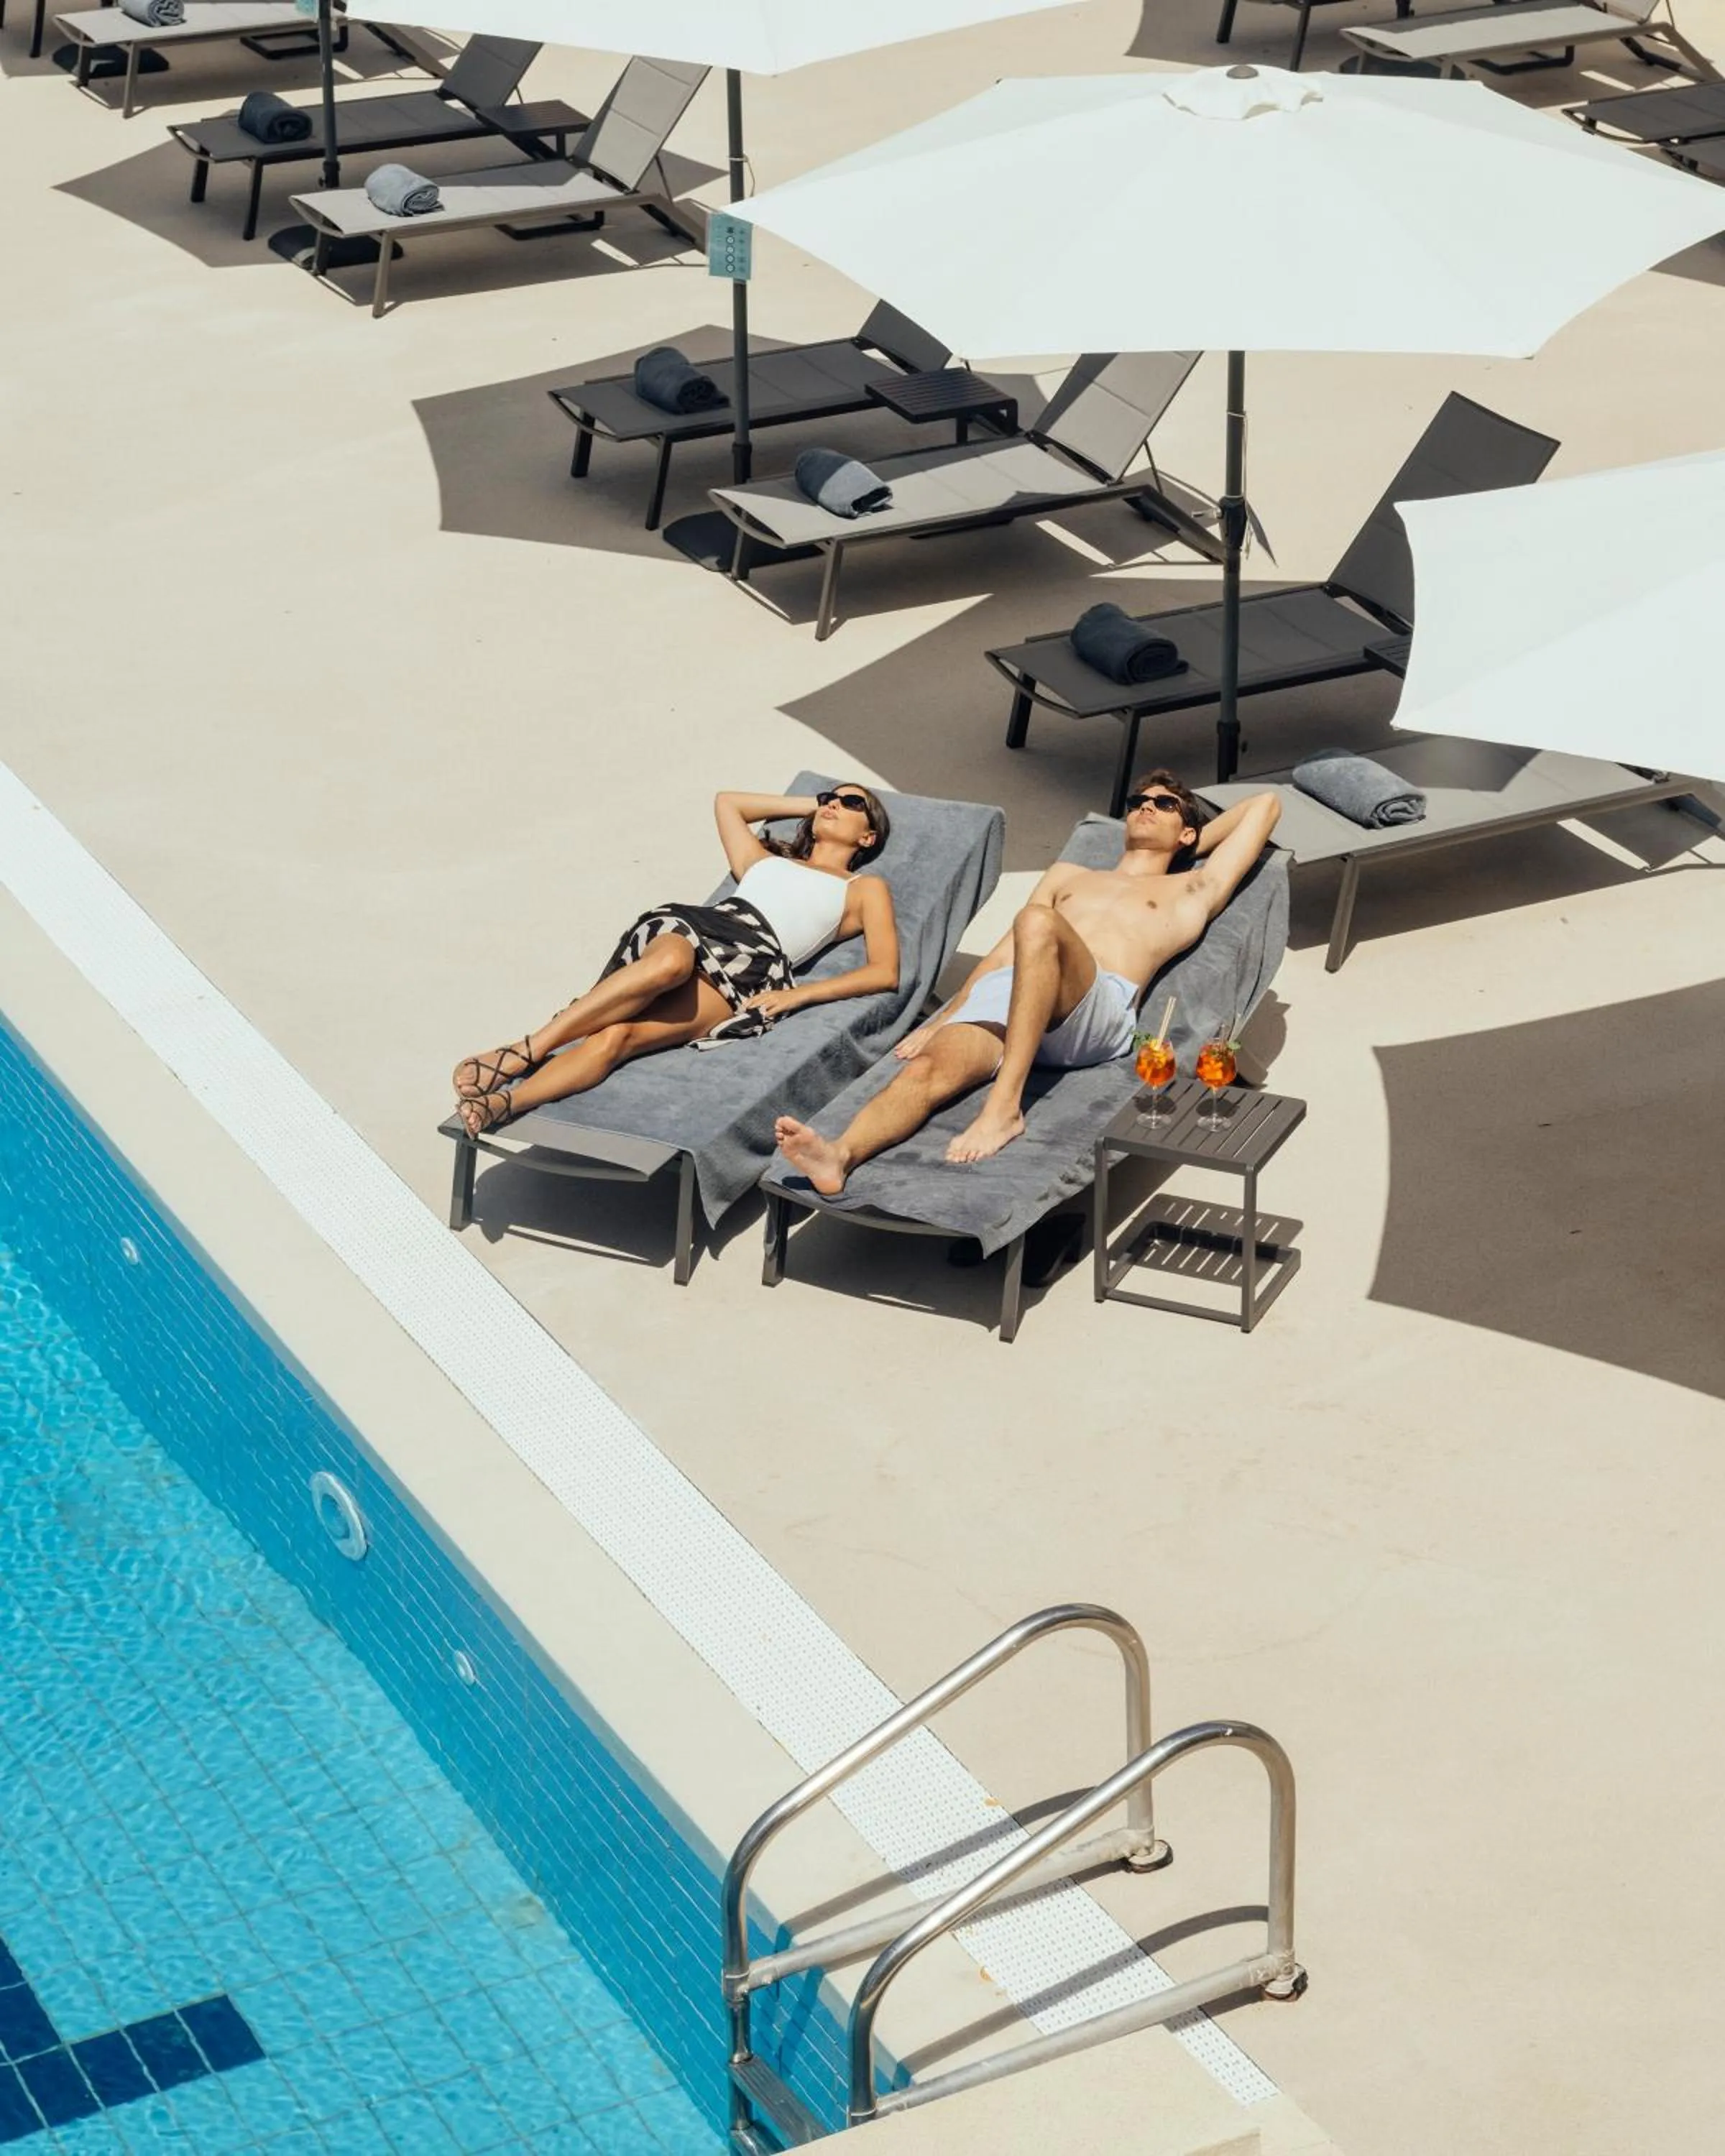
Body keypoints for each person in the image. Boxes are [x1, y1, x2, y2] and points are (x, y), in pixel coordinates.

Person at [774, 770, 1279, 1190]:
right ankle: (840, 1156)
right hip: (1012, 995)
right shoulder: (1068, 875)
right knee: (926, 1069)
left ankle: (1004, 1108)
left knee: (1038, 924)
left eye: (1164, 804)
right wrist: (947, 1015)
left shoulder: (1192, 885)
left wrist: (1187, 845)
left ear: (1189, 832)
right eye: (1138, 801)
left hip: (1094, 1008)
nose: (1146, 806)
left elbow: (1265, 805)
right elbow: (1003, 954)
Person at [453, 785, 898, 1136]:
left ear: (867, 836)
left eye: (851, 801)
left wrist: (797, 996)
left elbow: (885, 972)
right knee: (669, 967)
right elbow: (728, 802)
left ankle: (505, 1103)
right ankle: (527, 1049)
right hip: (700, 927)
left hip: (754, 969)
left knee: (618, 1039)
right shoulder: (760, 861)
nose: (834, 804)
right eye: (830, 798)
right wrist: (814, 804)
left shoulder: (863, 888)